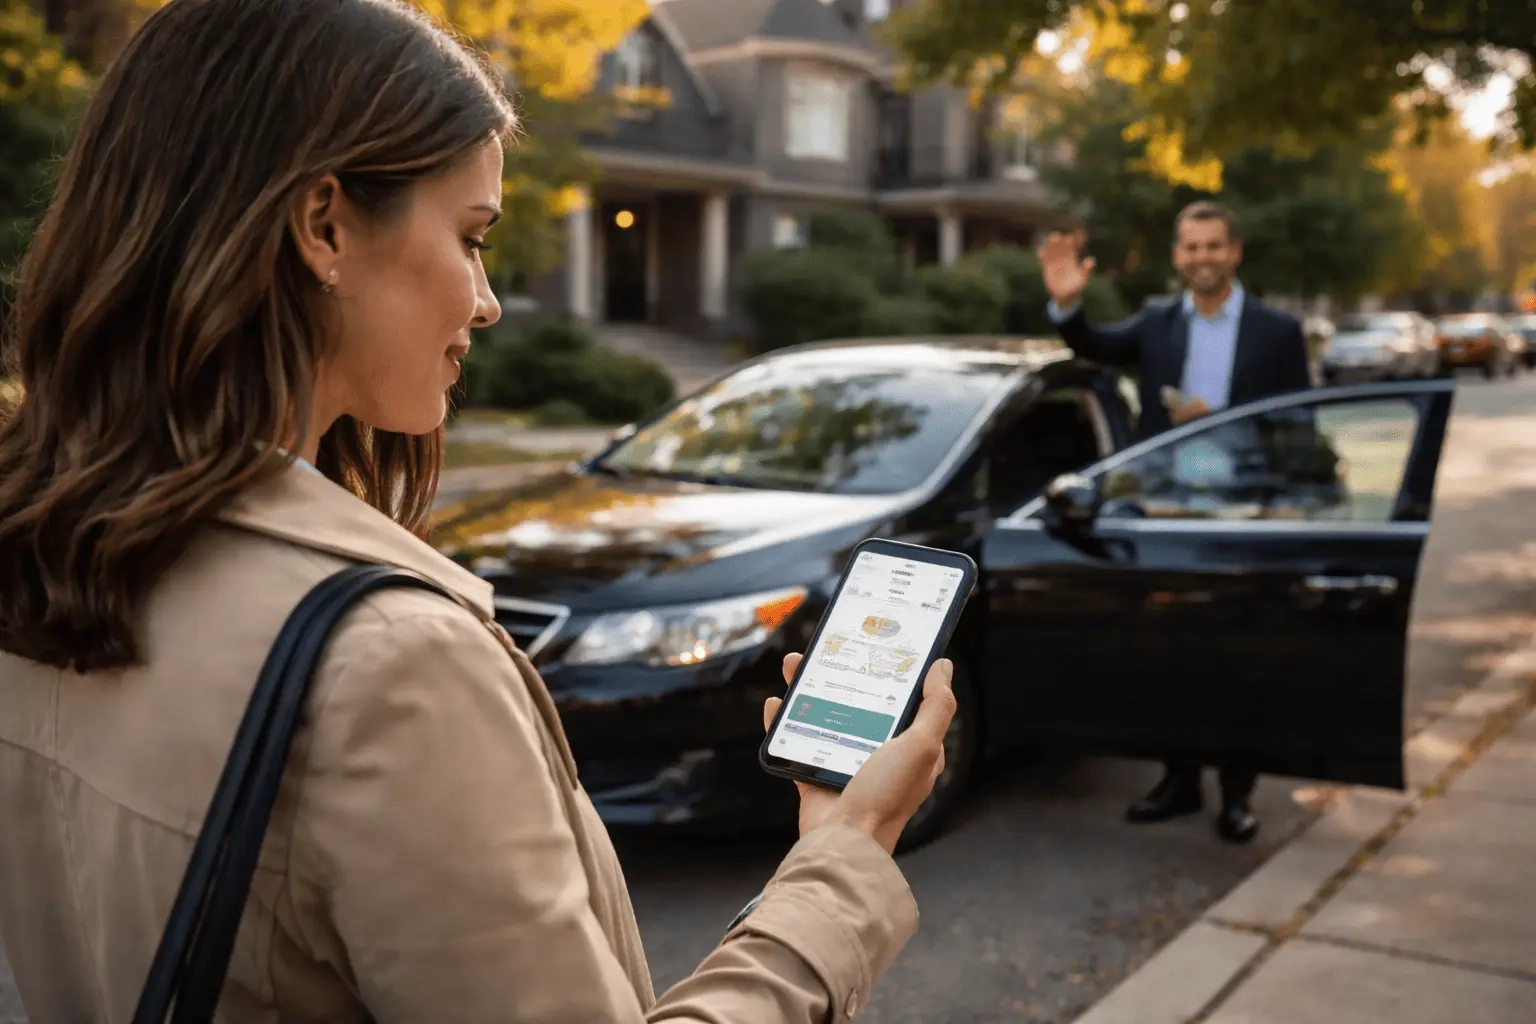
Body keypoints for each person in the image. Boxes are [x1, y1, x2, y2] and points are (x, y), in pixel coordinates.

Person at [0, 1, 956, 1021]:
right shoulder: (391, 664)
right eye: (472, 236)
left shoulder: (43, 550)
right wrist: (838, 868)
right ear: (324, 224)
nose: (489, 300)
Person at [1036, 201, 1311, 844]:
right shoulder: (1159, 322)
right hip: (1166, 514)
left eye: (1213, 246)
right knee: (1170, 653)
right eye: (1191, 248)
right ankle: (1178, 781)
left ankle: (1237, 795)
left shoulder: (1276, 331)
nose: (1202, 259)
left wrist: (1217, 425)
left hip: (1243, 514)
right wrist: (1067, 306)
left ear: (1235, 252)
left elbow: (1298, 428)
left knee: (1237, 660)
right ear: (1177, 256)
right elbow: (1095, 345)